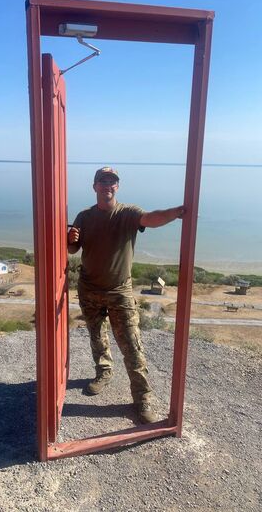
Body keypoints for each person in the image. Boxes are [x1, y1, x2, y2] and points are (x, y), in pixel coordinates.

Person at [68, 167, 184, 424]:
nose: (107, 185)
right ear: (95, 186)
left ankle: (142, 399)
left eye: (112, 181)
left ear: (117, 187)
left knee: (132, 346)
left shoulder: (128, 213)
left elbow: (151, 219)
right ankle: (104, 372)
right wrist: (70, 239)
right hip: (89, 289)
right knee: (97, 336)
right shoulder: (84, 216)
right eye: (103, 181)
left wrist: (176, 212)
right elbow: (73, 248)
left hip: (120, 292)